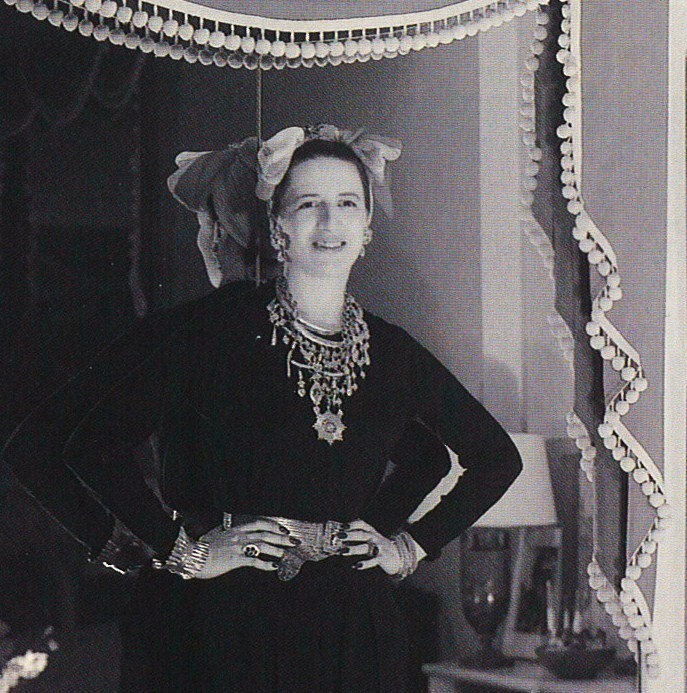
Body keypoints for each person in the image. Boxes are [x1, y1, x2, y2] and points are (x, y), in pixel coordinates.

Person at [1, 124, 523, 691]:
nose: (331, 222)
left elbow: (494, 457)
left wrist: (406, 546)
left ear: (367, 229)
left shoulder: (393, 351)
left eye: (348, 204)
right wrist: (183, 552)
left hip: (353, 627)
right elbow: (91, 444)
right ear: (278, 227)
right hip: (226, 623)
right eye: (309, 205)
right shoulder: (214, 332)